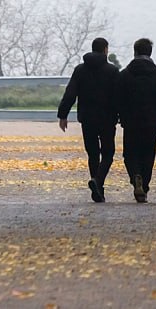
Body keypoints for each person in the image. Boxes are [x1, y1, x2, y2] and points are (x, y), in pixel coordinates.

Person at [57, 37, 119, 203]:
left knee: (92, 153)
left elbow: (70, 93)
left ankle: (97, 185)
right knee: (108, 153)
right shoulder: (112, 71)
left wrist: (63, 115)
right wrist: (122, 116)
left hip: (87, 118)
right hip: (107, 119)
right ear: (105, 50)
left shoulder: (80, 70)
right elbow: (119, 96)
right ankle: (98, 182)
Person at [116, 37, 156, 203]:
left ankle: (136, 177)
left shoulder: (125, 75)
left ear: (135, 52)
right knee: (148, 153)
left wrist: (122, 115)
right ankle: (144, 186)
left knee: (130, 153)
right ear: (150, 53)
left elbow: (117, 98)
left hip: (131, 122)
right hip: (152, 122)